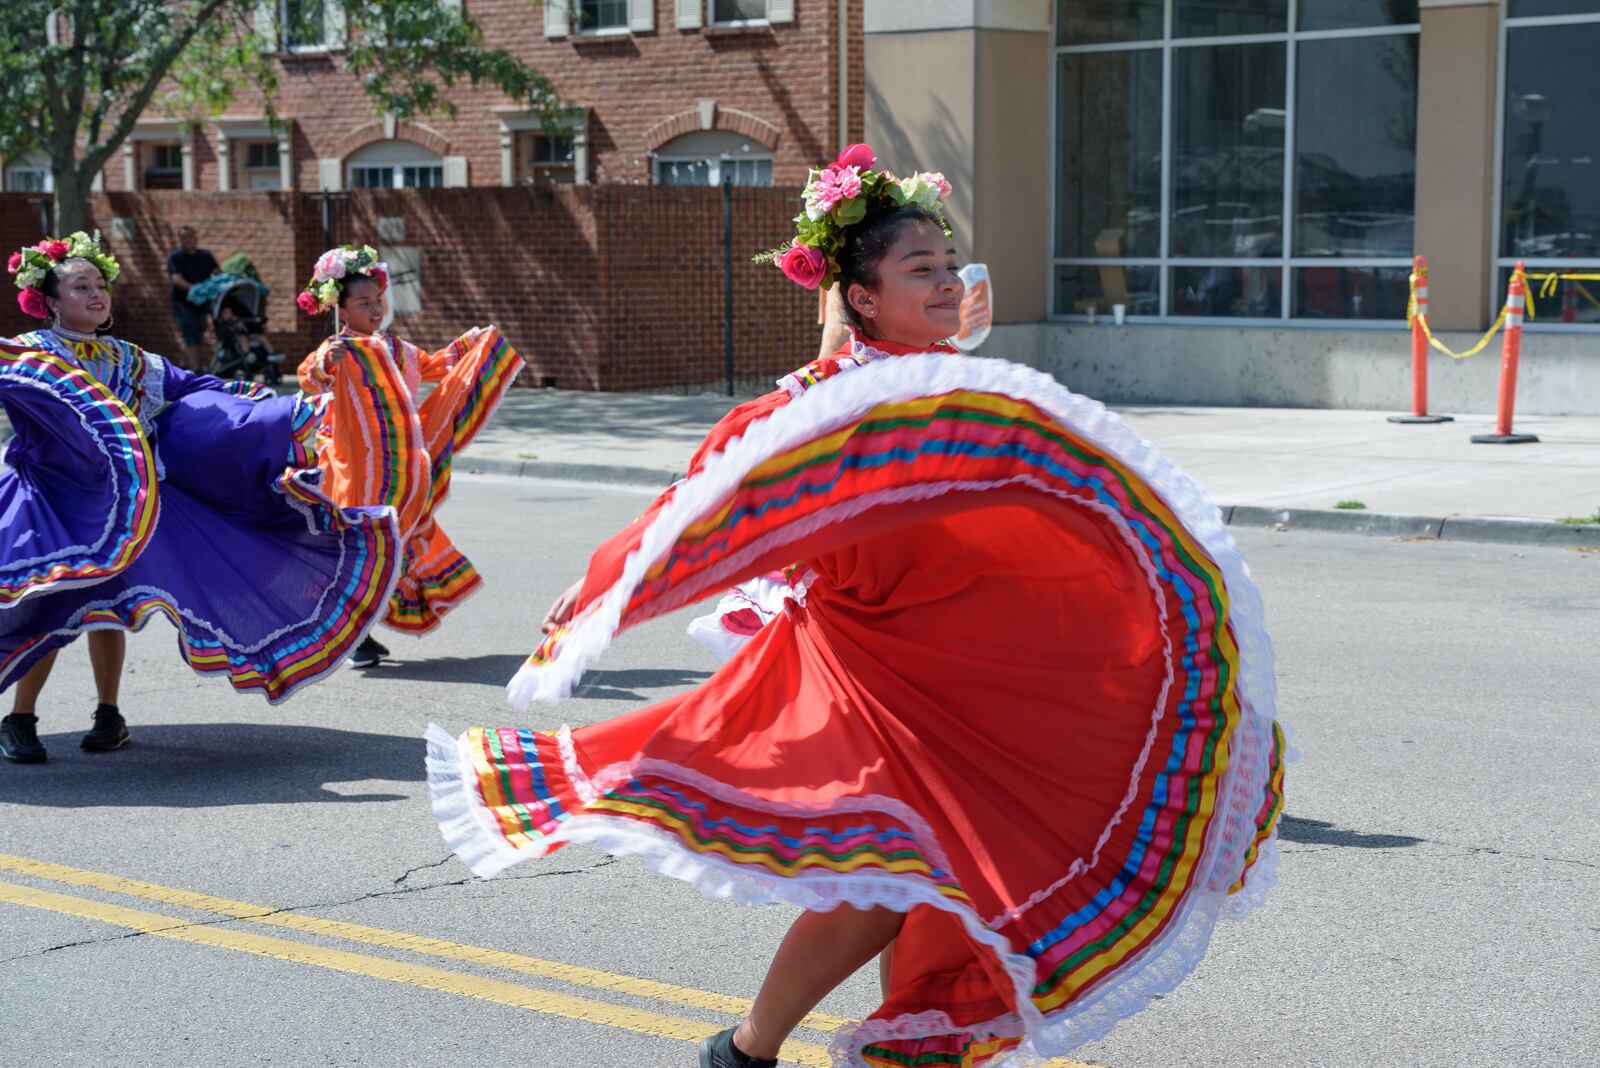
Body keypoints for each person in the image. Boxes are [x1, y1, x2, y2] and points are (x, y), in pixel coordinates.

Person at [425, 145, 1286, 1067]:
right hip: (870, 675)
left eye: (950, 267)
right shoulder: (817, 408)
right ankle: (749, 1049)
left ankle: (865, 1047)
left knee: (944, 882)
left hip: (971, 673)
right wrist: (614, 583)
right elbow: (719, 508)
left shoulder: (962, 395)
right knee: (891, 875)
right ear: (862, 297)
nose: (949, 283)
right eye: (922, 271)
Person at [0, 232, 403, 764]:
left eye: (100, 285)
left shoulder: (128, 357)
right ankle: (21, 717)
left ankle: (108, 714)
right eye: (80, 287)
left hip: (126, 510)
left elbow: (196, 392)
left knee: (107, 608)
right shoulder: (31, 354)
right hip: (55, 503)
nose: (97, 295)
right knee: (47, 604)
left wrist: (275, 411)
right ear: (49, 301)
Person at [295, 245, 524, 668]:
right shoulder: (339, 350)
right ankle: (352, 635)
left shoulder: (395, 348)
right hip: (358, 472)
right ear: (342, 310)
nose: (374, 308)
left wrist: (470, 343)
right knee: (366, 548)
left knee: (394, 546)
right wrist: (326, 360)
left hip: (400, 468)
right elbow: (309, 375)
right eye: (363, 303)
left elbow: (434, 364)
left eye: (376, 301)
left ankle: (360, 631)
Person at [167, 226, 220, 370]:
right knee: (190, 335)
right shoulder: (176, 258)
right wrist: (195, 289)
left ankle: (185, 367)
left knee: (199, 334)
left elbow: (217, 273)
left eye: (190, 236)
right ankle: (196, 371)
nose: (187, 240)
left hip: (202, 304)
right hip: (183, 304)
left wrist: (211, 286)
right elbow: (177, 279)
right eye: (184, 237)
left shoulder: (205, 256)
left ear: (196, 238)